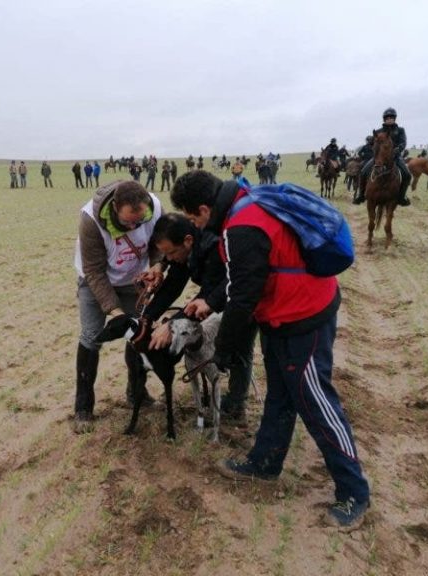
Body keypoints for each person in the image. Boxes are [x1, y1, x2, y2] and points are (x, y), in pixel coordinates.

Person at [170, 170, 371, 529]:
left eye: (191, 217)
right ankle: (264, 462)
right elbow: (245, 283)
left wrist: (224, 352)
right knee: (280, 394)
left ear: (203, 208)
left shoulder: (240, 227)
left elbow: (242, 297)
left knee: (316, 401)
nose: (193, 225)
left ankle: (354, 490)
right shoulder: (246, 199)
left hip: (303, 317)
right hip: (281, 315)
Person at [142, 213, 254, 424]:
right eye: (164, 256)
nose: (169, 260)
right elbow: (173, 285)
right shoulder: (185, 252)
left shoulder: (212, 248)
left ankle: (236, 407)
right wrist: (147, 318)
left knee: (240, 347)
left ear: (187, 240)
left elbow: (210, 294)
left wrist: (171, 325)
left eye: (171, 253)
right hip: (220, 292)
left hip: (243, 294)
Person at [72, 180, 163, 432]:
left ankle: (137, 393)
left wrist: (157, 265)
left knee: (138, 334)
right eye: (127, 222)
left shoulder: (154, 207)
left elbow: (158, 243)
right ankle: (83, 408)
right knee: (91, 337)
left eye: (139, 220)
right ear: (114, 208)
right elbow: (93, 271)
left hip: (132, 279)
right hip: (95, 282)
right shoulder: (90, 220)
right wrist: (115, 311)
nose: (134, 226)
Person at [354, 108, 411, 206]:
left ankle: (401, 197)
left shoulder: (400, 130)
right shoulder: (379, 131)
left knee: (407, 175)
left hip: (395, 158)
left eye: (391, 117)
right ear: (384, 119)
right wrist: (372, 140)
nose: (389, 119)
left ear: (394, 119)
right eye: (387, 118)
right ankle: (361, 195)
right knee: (363, 172)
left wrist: (397, 150)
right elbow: (372, 142)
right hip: (379, 158)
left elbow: (403, 142)